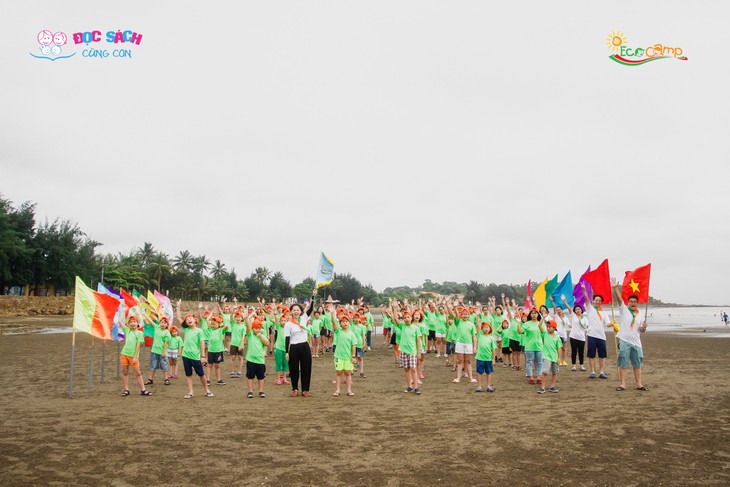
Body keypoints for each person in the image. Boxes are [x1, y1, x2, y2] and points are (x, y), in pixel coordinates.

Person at [611, 278, 649, 391]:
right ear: (628, 303)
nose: (633, 303)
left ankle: (639, 384)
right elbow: (619, 299)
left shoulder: (641, 315)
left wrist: (644, 327)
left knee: (637, 364)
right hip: (624, 341)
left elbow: (641, 330)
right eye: (631, 301)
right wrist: (615, 288)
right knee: (623, 363)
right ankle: (622, 384)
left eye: (635, 302)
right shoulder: (624, 310)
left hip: (636, 343)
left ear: (637, 303)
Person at [176, 305, 213, 399]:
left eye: (190, 318)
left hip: (196, 357)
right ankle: (190, 392)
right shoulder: (186, 329)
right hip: (185, 356)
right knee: (188, 374)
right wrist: (178, 306)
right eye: (187, 319)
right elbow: (178, 317)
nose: (189, 319)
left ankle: (207, 390)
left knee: (201, 374)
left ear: (195, 320)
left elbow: (202, 344)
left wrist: (203, 356)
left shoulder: (199, 331)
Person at [285, 290, 317, 397]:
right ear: (291, 311)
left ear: (301, 311)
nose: (296, 311)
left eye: (298, 310)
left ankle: (305, 389)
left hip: (304, 346)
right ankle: (294, 388)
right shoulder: (288, 324)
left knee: (306, 368)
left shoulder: (304, 318)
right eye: (294, 310)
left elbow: (311, 308)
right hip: (294, 347)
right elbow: (287, 338)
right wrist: (286, 351)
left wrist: (313, 295)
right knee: (293, 369)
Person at [389, 301, 423, 394]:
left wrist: (419, 352)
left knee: (413, 369)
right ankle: (409, 386)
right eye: (405, 318)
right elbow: (395, 319)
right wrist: (395, 308)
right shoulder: (402, 326)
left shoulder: (416, 328)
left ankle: (416, 387)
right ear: (403, 319)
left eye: (408, 317)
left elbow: (418, 341)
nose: (407, 319)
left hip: (412, 351)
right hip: (403, 351)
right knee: (406, 369)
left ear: (411, 318)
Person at [581, 282, 612, 379]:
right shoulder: (590, 309)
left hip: (601, 336)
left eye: (599, 300)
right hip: (591, 335)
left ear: (601, 302)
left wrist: (613, 323)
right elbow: (586, 298)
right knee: (591, 355)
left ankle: (601, 372)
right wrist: (584, 290)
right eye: (596, 300)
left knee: (602, 355)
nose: (598, 302)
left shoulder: (604, 313)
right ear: (593, 301)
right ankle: (593, 371)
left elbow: (607, 324)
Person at [120, 312, 152, 396]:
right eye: (130, 322)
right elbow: (120, 321)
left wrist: (135, 357)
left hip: (133, 356)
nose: (132, 323)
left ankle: (143, 389)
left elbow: (138, 346)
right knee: (125, 372)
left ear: (137, 323)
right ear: (128, 324)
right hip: (124, 353)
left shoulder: (140, 333)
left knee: (138, 373)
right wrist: (122, 310)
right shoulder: (127, 330)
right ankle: (126, 389)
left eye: (134, 322)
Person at [245, 315, 270, 398]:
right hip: (251, 360)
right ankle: (250, 391)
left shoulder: (262, 334)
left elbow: (267, 343)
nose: (258, 330)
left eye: (259, 328)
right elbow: (248, 325)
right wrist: (247, 317)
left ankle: (261, 391)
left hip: (260, 360)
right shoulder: (250, 334)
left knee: (261, 377)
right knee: (250, 377)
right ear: (253, 328)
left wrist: (260, 336)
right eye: (256, 328)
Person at [518, 308, 545, 385]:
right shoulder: (527, 323)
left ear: (538, 314)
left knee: (539, 362)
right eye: (532, 313)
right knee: (529, 362)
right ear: (530, 315)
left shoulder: (540, 323)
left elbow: (543, 333)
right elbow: (520, 332)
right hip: (529, 346)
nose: (534, 315)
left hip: (539, 346)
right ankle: (531, 377)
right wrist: (518, 323)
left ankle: (539, 376)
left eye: (535, 313)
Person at [332, 313, 357, 396]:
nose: (345, 323)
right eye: (343, 322)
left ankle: (349, 390)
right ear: (340, 324)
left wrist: (353, 356)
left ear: (349, 323)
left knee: (348, 373)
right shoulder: (338, 331)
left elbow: (353, 345)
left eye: (346, 321)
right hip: (338, 356)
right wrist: (332, 314)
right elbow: (334, 324)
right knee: (339, 373)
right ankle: (338, 390)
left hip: (348, 357)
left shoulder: (351, 334)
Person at [562, 295, 588, 371]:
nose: (578, 310)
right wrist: (564, 301)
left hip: (582, 338)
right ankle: (573, 365)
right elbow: (569, 308)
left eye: (579, 309)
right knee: (574, 352)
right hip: (573, 337)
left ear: (581, 310)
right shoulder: (573, 316)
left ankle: (581, 365)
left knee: (581, 352)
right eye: (576, 309)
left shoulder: (585, 318)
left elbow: (587, 326)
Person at [146, 315, 172, 386]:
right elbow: (151, 321)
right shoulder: (157, 327)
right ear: (159, 323)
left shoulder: (167, 333)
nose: (163, 324)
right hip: (154, 351)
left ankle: (166, 379)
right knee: (152, 366)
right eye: (161, 322)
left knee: (164, 366)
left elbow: (166, 343)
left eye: (165, 323)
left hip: (162, 353)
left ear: (167, 325)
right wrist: (144, 314)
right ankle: (150, 379)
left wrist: (163, 352)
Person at [539, 320, 562, 394]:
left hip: (554, 357)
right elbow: (539, 326)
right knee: (545, 372)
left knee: (554, 372)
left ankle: (552, 387)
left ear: (554, 328)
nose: (548, 328)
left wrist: (559, 358)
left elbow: (559, 349)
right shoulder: (545, 334)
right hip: (546, 357)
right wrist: (543, 318)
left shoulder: (557, 338)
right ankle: (542, 387)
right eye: (547, 327)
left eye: (549, 327)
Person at [474, 321, 498, 392]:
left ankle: (488, 386)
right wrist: (478, 315)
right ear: (482, 329)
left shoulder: (492, 338)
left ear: (490, 329)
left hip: (488, 358)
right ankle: (479, 386)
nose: (486, 329)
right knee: (479, 372)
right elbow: (477, 326)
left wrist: (493, 359)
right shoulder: (480, 335)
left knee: (489, 372)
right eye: (484, 327)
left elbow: (493, 349)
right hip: (480, 357)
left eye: (487, 327)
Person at [229, 311, 246, 379]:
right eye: (237, 317)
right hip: (233, 343)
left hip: (240, 344)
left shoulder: (243, 326)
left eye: (239, 317)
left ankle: (239, 372)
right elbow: (231, 318)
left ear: (242, 318)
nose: (238, 318)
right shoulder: (233, 324)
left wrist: (241, 345)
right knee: (233, 357)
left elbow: (243, 336)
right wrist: (231, 312)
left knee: (240, 358)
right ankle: (232, 371)